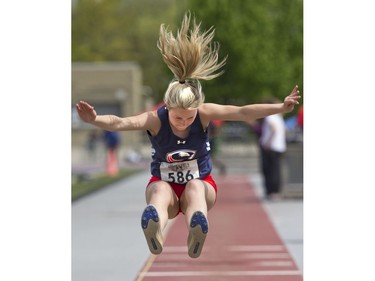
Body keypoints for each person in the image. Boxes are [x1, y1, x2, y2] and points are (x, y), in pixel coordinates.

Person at [75, 12, 301, 258]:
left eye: (189, 118)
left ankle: (197, 224)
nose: (183, 123)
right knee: (159, 190)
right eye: (177, 118)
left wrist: (279, 107)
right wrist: (95, 119)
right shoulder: (155, 119)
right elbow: (120, 122)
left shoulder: (203, 113)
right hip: (166, 188)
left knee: (194, 186)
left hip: (202, 186)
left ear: (197, 110)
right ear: (167, 108)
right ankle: (155, 227)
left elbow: (242, 111)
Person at [258, 98, 287, 200]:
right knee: (276, 169)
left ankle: (271, 191)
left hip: (271, 146)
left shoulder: (270, 117)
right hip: (279, 146)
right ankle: (275, 191)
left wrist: (268, 142)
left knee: (270, 170)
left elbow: (274, 129)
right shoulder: (279, 117)